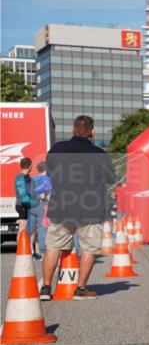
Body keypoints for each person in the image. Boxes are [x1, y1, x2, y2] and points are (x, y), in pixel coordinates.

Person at [39, 115, 117, 300]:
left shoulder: (58, 149)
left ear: (73, 130)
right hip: (90, 209)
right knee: (88, 248)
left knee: (53, 246)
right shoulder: (99, 153)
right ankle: (81, 289)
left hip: (62, 207)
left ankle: (46, 288)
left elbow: (49, 171)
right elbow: (111, 178)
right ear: (92, 132)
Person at [29, 161, 52, 259]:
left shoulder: (33, 179)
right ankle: (43, 251)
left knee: (32, 230)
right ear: (46, 169)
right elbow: (42, 195)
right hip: (42, 205)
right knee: (43, 228)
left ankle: (30, 251)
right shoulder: (46, 179)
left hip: (32, 206)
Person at [14, 157, 36, 236]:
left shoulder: (18, 177)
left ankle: (20, 244)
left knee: (22, 228)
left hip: (19, 204)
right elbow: (29, 192)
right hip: (24, 205)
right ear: (29, 166)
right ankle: (23, 245)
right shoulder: (26, 178)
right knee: (23, 229)